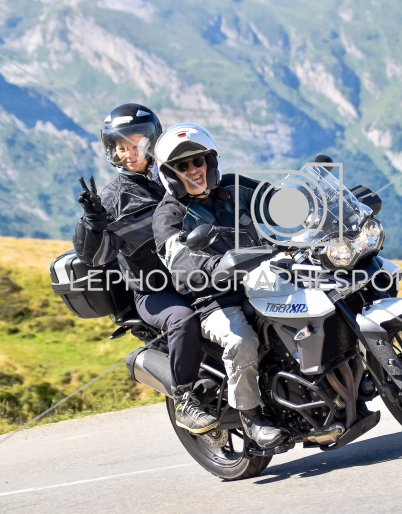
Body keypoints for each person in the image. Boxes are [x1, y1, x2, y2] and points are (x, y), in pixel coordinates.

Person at [73, 104, 217, 434]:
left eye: (137, 143)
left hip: (202, 275)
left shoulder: (178, 175)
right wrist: (92, 223)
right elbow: (96, 257)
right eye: (121, 147)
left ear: (153, 142)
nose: (130, 153)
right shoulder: (112, 200)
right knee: (182, 319)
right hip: (155, 290)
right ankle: (185, 401)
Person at [151, 123, 286, 450]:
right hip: (217, 300)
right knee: (240, 340)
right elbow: (179, 261)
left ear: (210, 162)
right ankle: (252, 417)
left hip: (264, 278)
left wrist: (318, 203)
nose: (192, 170)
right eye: (182, 166)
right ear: (170, 174)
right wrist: (216, 267)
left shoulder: (235, 187)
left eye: (197, 161)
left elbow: (279, 202)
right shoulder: (169, 215)